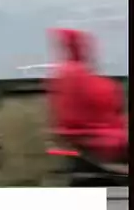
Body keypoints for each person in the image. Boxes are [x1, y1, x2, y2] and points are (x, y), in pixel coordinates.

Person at [47, 28, 128, 164]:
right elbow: (106, 103)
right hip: (102, 140)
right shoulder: (76, 73)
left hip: (80, 138)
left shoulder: (64, 73)